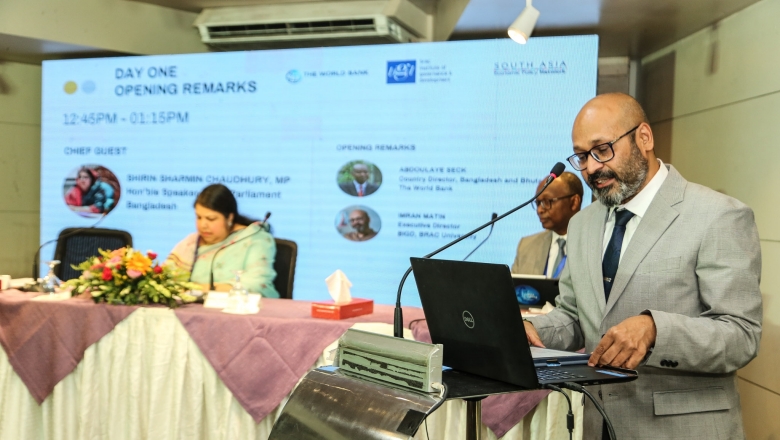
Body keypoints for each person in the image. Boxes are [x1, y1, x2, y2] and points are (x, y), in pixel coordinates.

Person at [524, 93, 762, 439]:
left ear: (644, 138)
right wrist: (534, 331)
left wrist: (655, 330)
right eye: (580, 156)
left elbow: (741, 335)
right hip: (599, 425)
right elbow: (576, 315)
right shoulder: (582, 224)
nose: (590, 167)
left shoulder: (718, 216)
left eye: (602, 149)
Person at [166, 184, 280, 298]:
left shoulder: (255, 239)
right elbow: (165, 280)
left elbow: (257, 283)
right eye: (199, 217)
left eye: (211, 219)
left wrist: (201, 289)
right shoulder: (191, 243)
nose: (202, 225)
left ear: (230, 218)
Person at [511, 172, 583, 277]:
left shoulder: (595, 245)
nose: (539, 210)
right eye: (538, 203)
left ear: (574, 202)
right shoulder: (526, 246)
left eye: (547, 202)